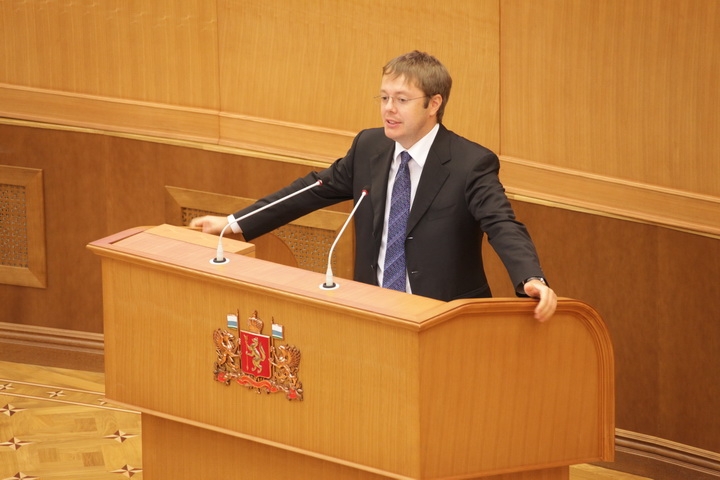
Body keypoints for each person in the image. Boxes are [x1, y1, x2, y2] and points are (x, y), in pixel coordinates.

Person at [191, 50, 557, 322]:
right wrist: (234, 222)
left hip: (443, 317)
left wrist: (531, 277)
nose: (388, 109)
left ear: (434, 103)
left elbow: (502, 224)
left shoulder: (469, 163)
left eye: (402, 100)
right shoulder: (369, 147)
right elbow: (312, 188)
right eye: (384, 98)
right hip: (371, 310)